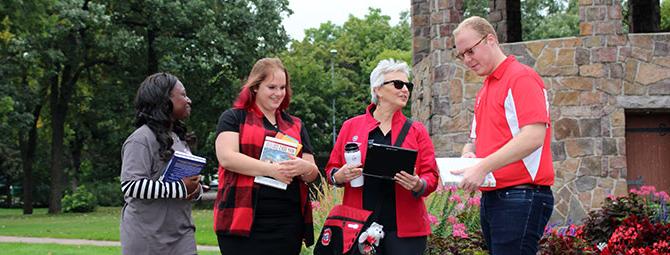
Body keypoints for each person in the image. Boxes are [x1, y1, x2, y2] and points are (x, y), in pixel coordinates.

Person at [450, 16, 555, 254]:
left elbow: (534, 136)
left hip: (521, 195)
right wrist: (469, 156)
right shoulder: (485, 88)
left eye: (470, 51)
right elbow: (474, 141)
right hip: (497, 197)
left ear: (491, 40)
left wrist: (483, 166)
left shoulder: (521, 77)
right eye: (461, 55)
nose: (467, 60)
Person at [325, 59, 439, 254]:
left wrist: (418, 183)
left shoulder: (417, 130)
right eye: (398, 84)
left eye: (407, 85)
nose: (405, 90)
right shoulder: (350, 126)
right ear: (377, 89)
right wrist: (339, 176)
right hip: (359, 227)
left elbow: (432, 176)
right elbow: (331, 170)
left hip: (406, 232)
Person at [213, 58, 319, 254]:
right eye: (271, 87)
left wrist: (304, 168)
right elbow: (227, 157)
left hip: (288, 223)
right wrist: (272, 170)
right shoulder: (234, 117)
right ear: (255, 87)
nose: (278, 93)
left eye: (282, 87)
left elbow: (312, 172)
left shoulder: (296, 124)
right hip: (242, 221)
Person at [120, 72, 202, 255]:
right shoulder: (140, 139)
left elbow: (187, 185)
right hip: (147, 239)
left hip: (182, 235)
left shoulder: (180, 140)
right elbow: (131, 186)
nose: (188, 100)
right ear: (164, 100)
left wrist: (196, 189)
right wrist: (181, 188)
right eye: (183, 94)